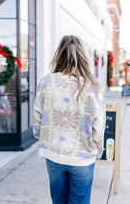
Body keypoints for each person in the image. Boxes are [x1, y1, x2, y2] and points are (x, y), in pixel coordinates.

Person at [33, 35, 106, 204]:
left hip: (53, 154)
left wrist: (42, 137)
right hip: (82, 157)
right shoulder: (92, 86)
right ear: (84, 57)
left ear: (60, 55)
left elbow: (37, 120)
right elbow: (99, 126)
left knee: (58, 201)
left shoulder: (46, 81)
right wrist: (97, 150)